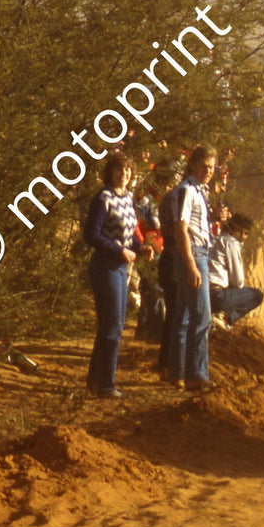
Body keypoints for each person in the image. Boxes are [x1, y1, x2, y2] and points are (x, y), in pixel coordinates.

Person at [82, 153, 149, 399]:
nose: (124, 174)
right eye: (119, 169)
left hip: (121, 267)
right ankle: (106, 385)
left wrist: (140, 247)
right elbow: (91, 234)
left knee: (113, 325)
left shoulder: (128, 198)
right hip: (105, 266)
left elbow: (127, 235)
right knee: (112, 326)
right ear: (110, 172)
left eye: (128, 170)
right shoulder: (104, 198)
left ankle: (95, 380)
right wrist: (119, 250)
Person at [168, 144, 218, 392]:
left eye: (212, 167)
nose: (208, 171)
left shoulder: (199, 191)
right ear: (193, 165)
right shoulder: (187, 190)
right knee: (202, 316)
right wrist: (190, 264)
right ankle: (197, 375)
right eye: (204, 166)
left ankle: (177, 372)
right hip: (193, 254)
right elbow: (180, 228)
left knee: (184, 316)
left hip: (199, 253)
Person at [209, 213, 264, 329]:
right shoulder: (231, 243)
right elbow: (238, 281)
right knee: (257, 295)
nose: (243, 237)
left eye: (246, 234)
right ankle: (225, 317)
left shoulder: (214, 239)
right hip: (217, 296)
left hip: (203, 293)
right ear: (234, 229)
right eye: (242, 232)